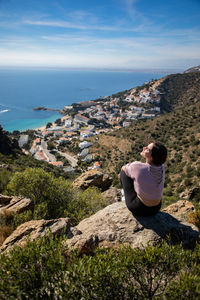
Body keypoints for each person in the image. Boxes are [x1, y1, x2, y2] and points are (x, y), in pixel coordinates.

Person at [119, 142, 167, 216]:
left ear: (152, 155)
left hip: (139, 208)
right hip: (156, 208)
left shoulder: (138, 167)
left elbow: (123, 168)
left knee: (123, 173)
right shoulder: (162, 168)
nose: (144, 148)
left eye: (147, 149)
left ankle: (126, 196)